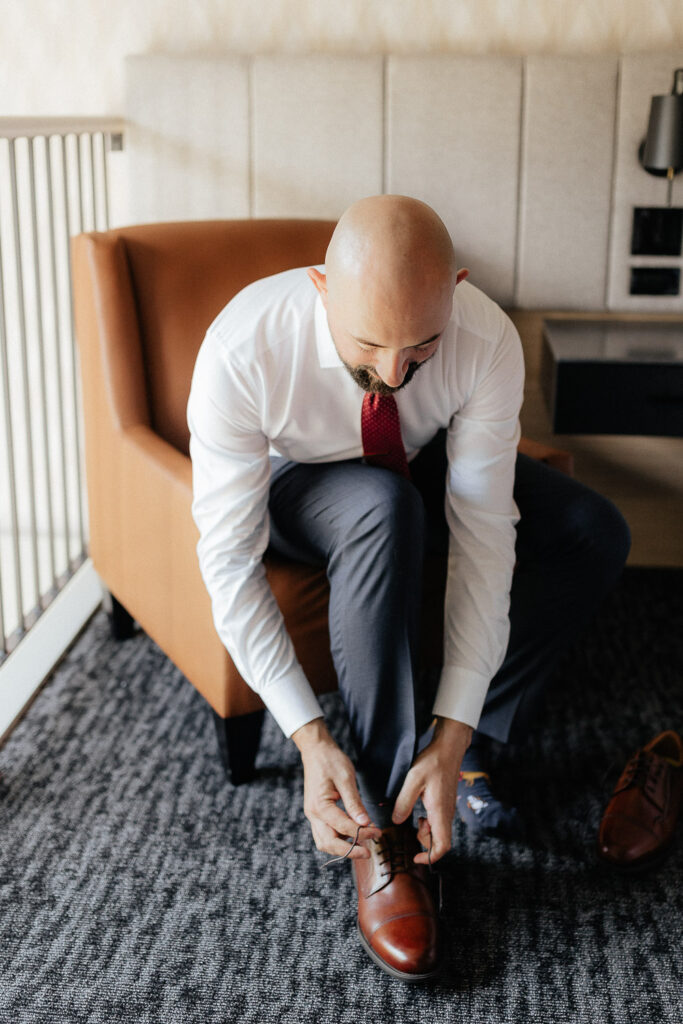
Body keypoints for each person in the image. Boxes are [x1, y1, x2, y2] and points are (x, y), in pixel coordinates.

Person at [187, 195, 630, 981]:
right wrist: (306, 734)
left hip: (417, 456)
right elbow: (228, 559)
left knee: (592, 530)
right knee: (380, 510)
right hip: (298, 477)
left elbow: (484, 531)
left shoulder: (484, 336)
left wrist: (454, 720)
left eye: (420, 346)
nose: (393, 374)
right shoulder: (242, 347)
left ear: (455, 289)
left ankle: (468, 748)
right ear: (322, 289)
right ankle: (385, 825)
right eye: (368, 344)